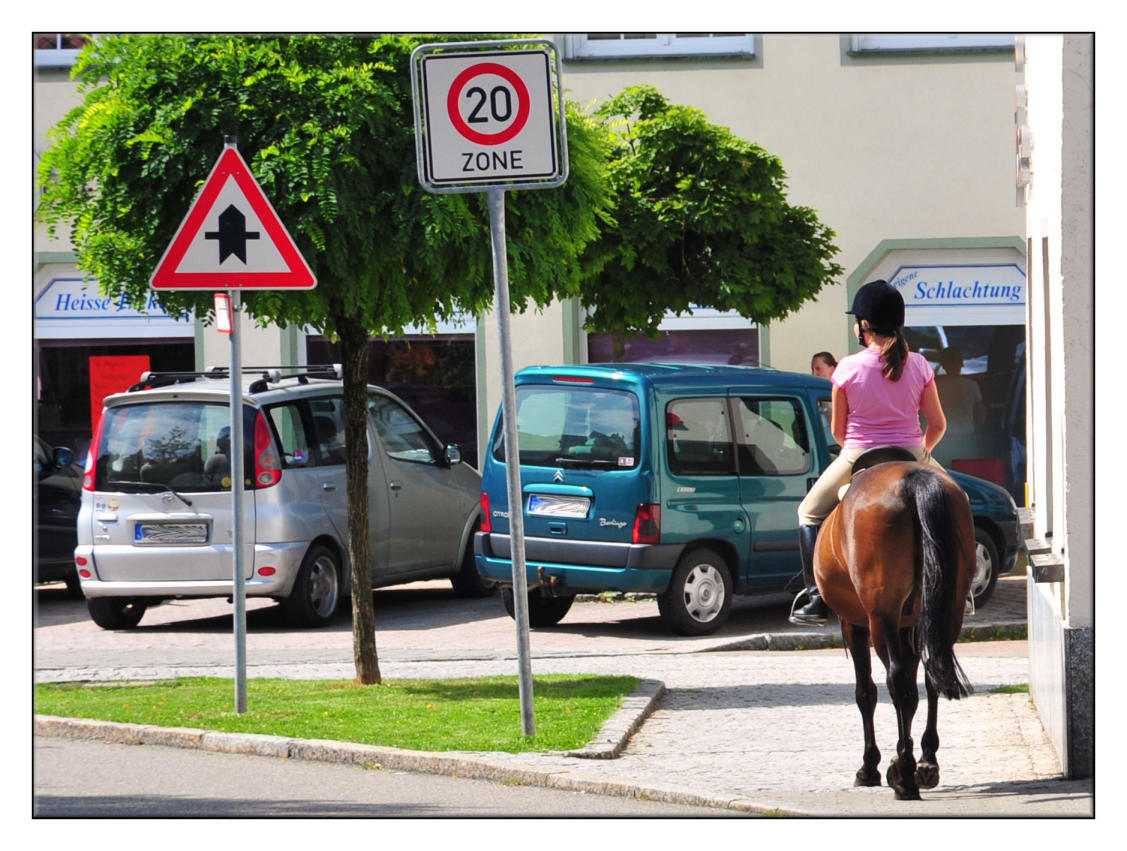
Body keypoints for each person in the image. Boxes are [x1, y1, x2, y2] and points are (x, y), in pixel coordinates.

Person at [789, 280, 948, 625]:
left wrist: (858, 443)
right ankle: (957, 591)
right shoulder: (920, 364)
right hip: (910, 450)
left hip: (858, 452)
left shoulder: (846, 367)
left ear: (864, 325)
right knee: (955, 501)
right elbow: (938, 424)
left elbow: (837, 430)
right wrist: (922, 453)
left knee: (808, 513)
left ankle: (815, 597)